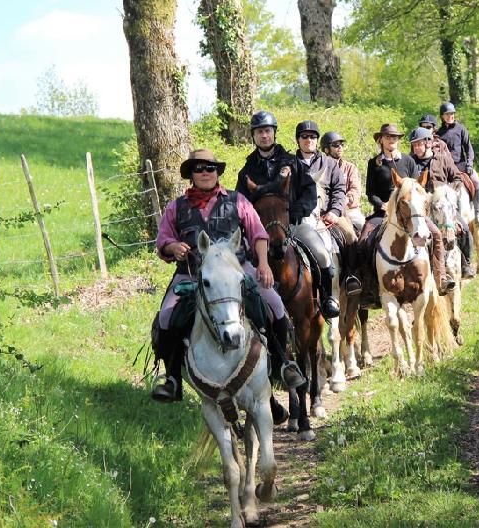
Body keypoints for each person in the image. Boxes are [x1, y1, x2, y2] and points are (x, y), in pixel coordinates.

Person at [151, 149, 304, 422]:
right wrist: (174, 246)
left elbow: (258, 233)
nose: (206, 172)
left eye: (211, 167)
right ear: (191, 174)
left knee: (275, 305)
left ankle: (283, 364)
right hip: (192, 274)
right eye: (199, 168)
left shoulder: (238, 201)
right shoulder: (177, 207)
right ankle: (172, 378)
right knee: (165, 316)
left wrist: (264, 265)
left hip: (238, 270)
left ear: (218, 172)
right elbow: (163, 240)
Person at [235, 111, 340, 320]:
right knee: (239, 262)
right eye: (259, 132)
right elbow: (240, 203)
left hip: (292, 225)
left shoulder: (292, 162)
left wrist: (296, 213)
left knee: (321, 253)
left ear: (274, 133)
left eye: (267, 131)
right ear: (253, 136)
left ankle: (328, 298)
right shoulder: (247, 171)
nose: (264, 136)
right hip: (260, 231)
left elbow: (309, 191)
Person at [360, 123, 453, 294]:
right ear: (381, 140)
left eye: (394, 137)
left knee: (437, 234)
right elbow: (370, 192)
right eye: (388, 137)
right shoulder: (374, 163)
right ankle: (367, 286)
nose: (391, 140)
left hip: (411, 212)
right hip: (384, 212)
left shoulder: (408, 161)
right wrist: (382, 204)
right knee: (364, 239)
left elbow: (418, 187)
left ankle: (441, 277)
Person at [409, 127, 475, 279]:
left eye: (419, 144)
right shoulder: (411, 162)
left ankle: (466, 264)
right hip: (422, 208)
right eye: (414, 145)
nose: (416, 148)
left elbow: (457, 177)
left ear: (428, 143)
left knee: (464, 228)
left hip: (443, 205)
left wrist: (447, 193)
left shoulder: (443, 158)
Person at [436, 102, 479, 224]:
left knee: (476, 181)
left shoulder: (461, 129)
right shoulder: (438, 133)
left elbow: (468, 148)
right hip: (445, 168)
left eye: (452, 113)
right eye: (448, 114)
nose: (451, 116)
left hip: (460, 165)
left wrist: (469, 163)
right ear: (442, 116)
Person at [320, 130, 365, 234]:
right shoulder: (320, 169)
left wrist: (347, 199)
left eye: (341, 145)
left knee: (363, 226)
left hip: (349, 210)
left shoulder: (350, 168)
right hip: (325, 210)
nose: (340, 147)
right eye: (335, 145)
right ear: (326, 149)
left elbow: (355, 190)